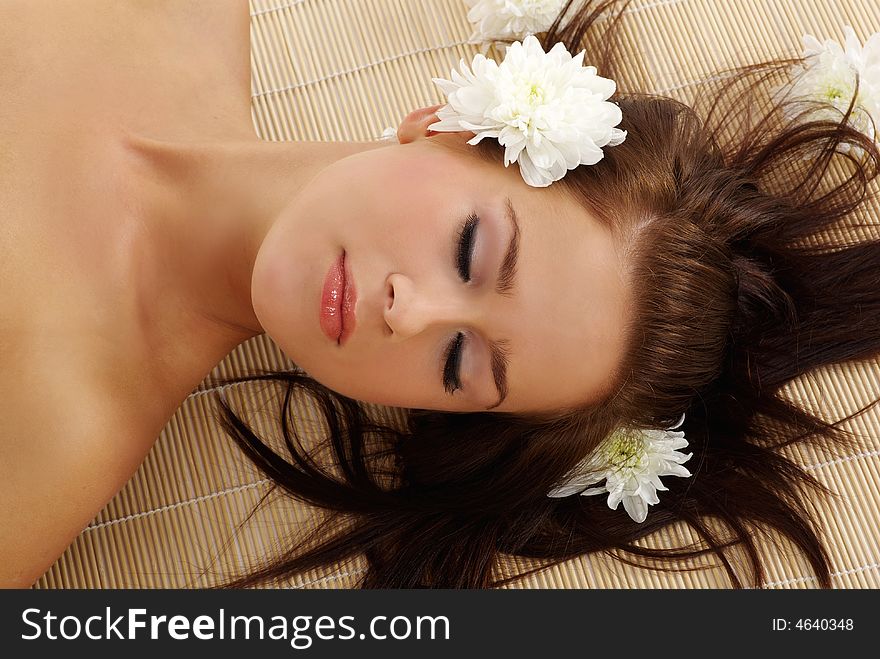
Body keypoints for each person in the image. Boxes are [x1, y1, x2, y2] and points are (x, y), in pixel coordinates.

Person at [0, 0, 876, 589]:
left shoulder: (48, 443)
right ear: (455, 127)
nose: (410, 312)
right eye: (469, 249)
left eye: (459, 362)